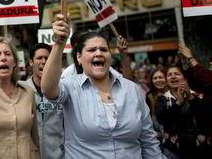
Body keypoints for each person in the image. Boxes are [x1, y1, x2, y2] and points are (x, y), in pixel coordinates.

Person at [41, 14, 166, 158]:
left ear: (110, 57)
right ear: (79, 57)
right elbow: (48, 89)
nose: (98, 53)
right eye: (91, 50)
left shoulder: (133, 90)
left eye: (104, 50)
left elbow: (149, 142)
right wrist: (59, 43)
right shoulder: (70, 86)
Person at [20, 43, 64, 159]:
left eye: (47, 58)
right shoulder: (21, 89)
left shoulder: (62, 90)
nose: (44, 61)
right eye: (39, 58)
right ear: (31, 62)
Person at [156, 65, 211, 158]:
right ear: (167, 80)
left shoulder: (198, 96)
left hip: (199, 149)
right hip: (173, 150)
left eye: (177, 74)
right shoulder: (162, 99)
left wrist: (190, 96)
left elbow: (205, 118)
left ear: (185, 78)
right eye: (169, 75)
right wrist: (178, 102)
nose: (173, 76)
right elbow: (163, 120)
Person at [145, 68, 167, 140]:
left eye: (161, 77)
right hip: (157, 134)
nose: (158, 80)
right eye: (155, 78)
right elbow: (149, 116)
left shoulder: (173, 92)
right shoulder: (149, 95)